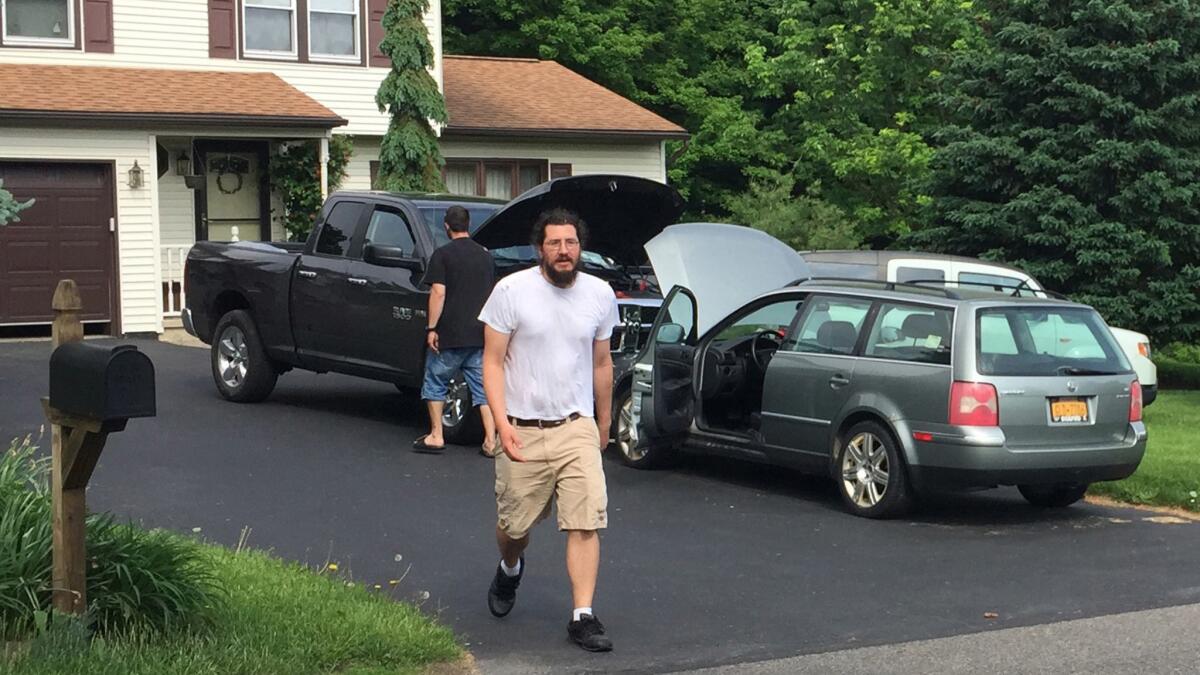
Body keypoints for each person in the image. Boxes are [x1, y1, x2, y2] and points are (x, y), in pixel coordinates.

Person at [478, 207, 619, 652]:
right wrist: (500, 424)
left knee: (585, 519)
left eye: (572, 242)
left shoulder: (600, 293)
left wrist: (604, 422)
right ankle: (510, 567)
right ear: (540, 248)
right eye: (555, 243)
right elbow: (492, 362)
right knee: (513, 527)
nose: (564, 250)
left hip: (575, 427)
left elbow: (602, 363)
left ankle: (583, 616)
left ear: (581, 247)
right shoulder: (511, 291)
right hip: (521, 427)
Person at [412, 205, 497, 455]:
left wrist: (432, 328)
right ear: (468, 224)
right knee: (483, 389)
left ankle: (436, 435)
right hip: (481, 333)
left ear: (447, 226)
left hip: (450, 334)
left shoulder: (443, 255)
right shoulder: (485, 256)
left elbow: (438, 292)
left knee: (435, 380)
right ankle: (491, 441)